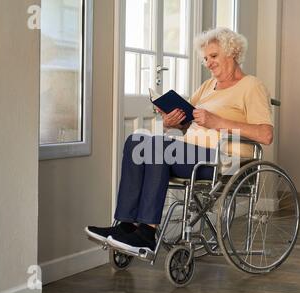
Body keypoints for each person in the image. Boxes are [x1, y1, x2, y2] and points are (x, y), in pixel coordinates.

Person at [85, 27, 274, 255]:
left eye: (213, 56)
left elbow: (265, 135)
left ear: (232, 52)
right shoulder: (207, 86)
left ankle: (146, 233)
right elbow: (190, 124)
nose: (208, 63)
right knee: (136, 141)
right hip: (192, 154)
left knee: (157, 147)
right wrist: (173, 121)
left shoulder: (251, 86)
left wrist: (217, 121)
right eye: (205, 58)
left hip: (224, 160)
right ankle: (126, 225)